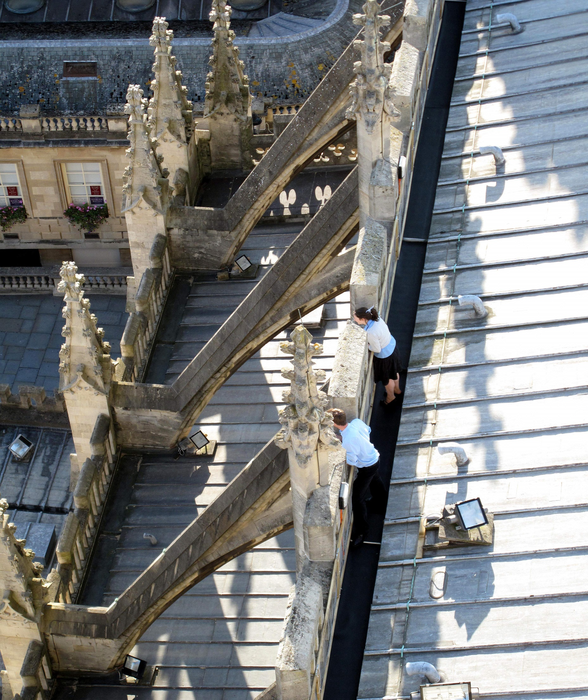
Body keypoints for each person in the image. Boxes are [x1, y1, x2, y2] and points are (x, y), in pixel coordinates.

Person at [329, 408, 386, 547]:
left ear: (334, 424)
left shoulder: (348, 440)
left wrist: (341, 445)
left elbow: (351, 462)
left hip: (367, 466)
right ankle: (381, 502)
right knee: (375, 479)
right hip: (373, 457)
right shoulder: (356, 423)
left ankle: (362, 531)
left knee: (357, 497)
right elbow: (368, 430)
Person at [353, 306, 402, 406]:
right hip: (392, 346)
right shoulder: (377, 318)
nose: (354, 319)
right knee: (394, 371)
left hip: (384, 356)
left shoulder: (370, 332)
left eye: (355, 318)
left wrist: (368, 345)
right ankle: (397, 390)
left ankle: (390, 398)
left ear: (363, 319)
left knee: (387, 379)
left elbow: (376, 349)